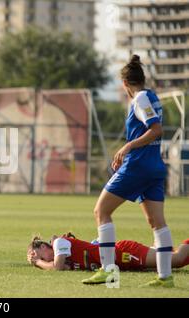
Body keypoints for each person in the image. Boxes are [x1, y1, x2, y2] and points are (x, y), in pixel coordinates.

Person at [82, 55, 174, 287]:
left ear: (125, 84)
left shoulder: (140, 98)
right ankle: (165, 277)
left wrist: (128, 146)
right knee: (157, 222)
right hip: (154, 168)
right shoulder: (152, 96)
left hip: (138, 167)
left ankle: (108, 271)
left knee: (101, 211)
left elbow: (155, 130)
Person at [27, 233, 189, 272]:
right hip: (121, 261)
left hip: (123, 253)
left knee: (178, 260)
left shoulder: (58, 243)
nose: (45, 260)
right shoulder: (66, 258)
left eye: (42, 256)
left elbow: (57, 267)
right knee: (167, 262)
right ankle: (157, 247)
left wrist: (37, 263)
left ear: (43, 247)